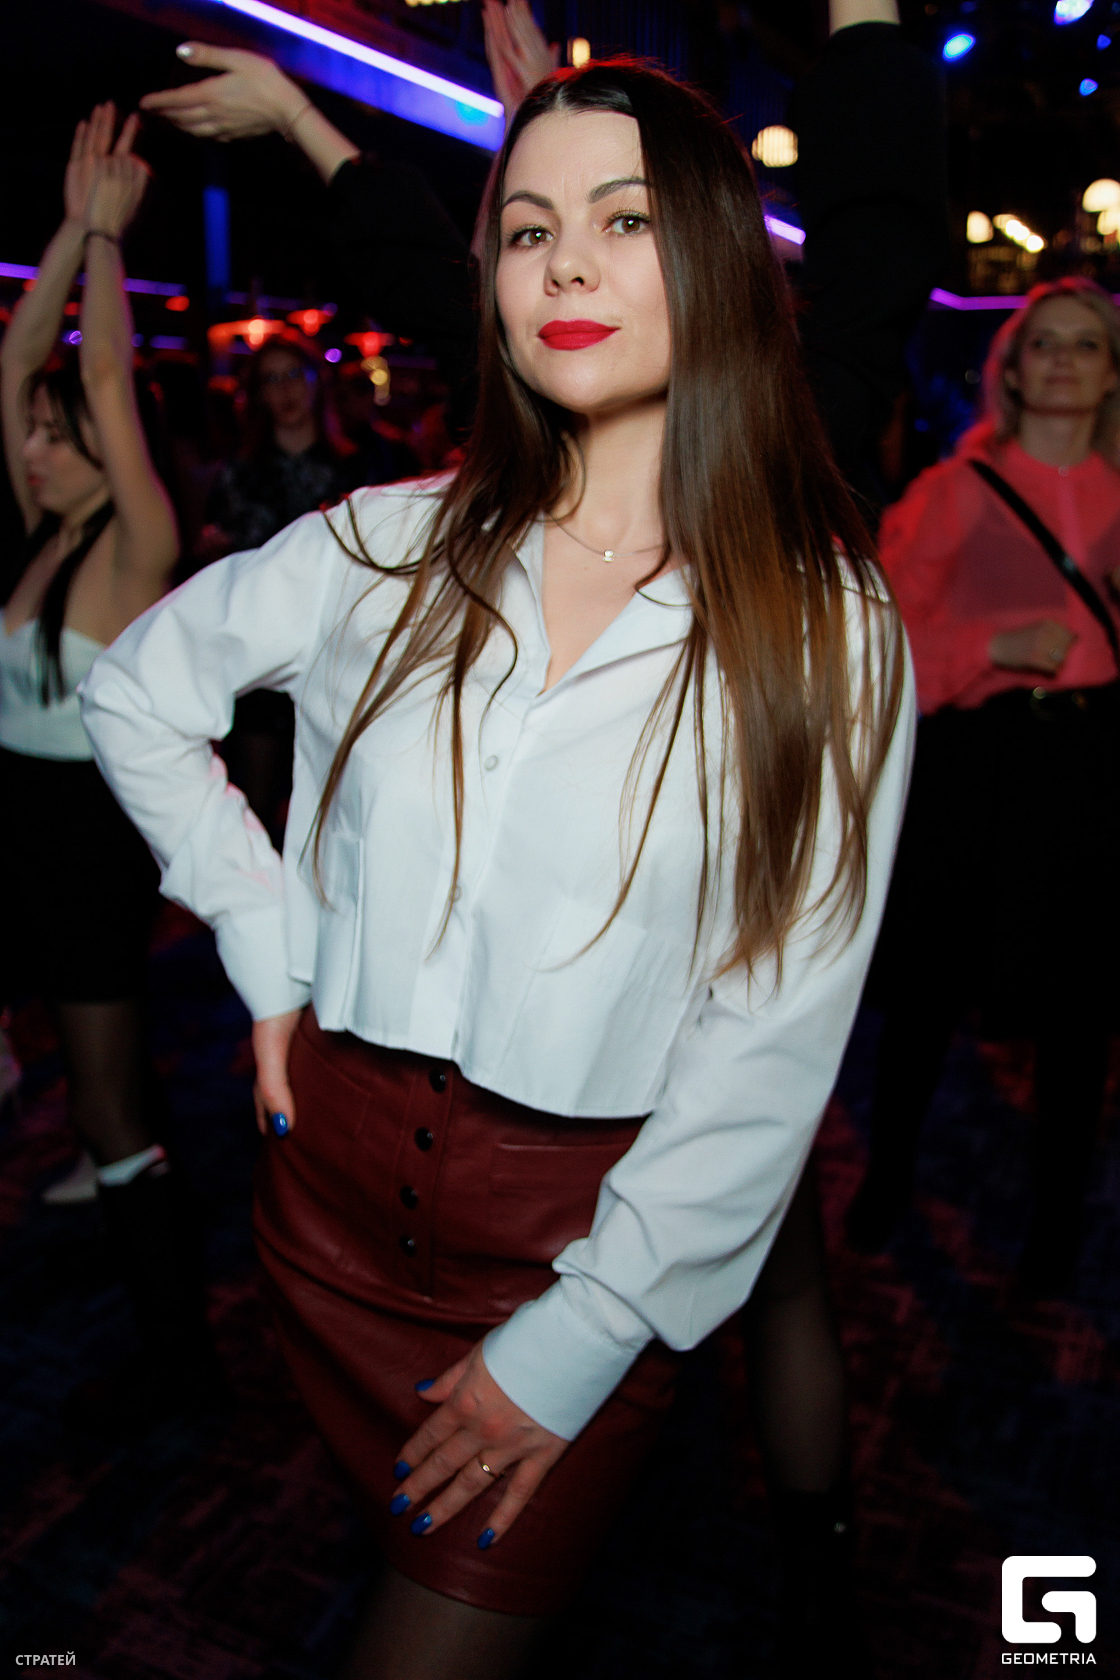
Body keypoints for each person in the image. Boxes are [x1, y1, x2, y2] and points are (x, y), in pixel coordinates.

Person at [84, 61, 913, 1678]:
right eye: (528, 230)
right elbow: (136, 694)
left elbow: (775, 1026)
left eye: (623, 219)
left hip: (585, 1243)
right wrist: (266, 943)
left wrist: (588, 1332)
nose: (566, 262)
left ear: (720, 257)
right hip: (323, 1203)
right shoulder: (382, 544)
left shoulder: (822, 620)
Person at [0, 104, 219, 1427]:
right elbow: (19, 355)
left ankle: (180, 1355)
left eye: (53, 433)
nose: (32, 447)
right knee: (90, 1098)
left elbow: (95, 376)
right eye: (29, 434)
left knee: (110, 1107)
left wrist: (108, 249)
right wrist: (69, 223)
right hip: (14, 830)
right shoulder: (38, 532)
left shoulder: (136, 542)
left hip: (83, 852)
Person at [846, 278, 1120, 1296]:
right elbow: (878, 654)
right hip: (976, 765)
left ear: (1111, 373)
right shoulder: (954, 493)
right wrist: (989, 647)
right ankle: (888, 1174)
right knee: (927, 995)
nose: (1063, 361)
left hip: (1093, 766)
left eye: (1085, 345)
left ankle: (1056, 1222)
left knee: (1080, 1011)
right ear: (1010, 367)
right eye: (1043, 343)